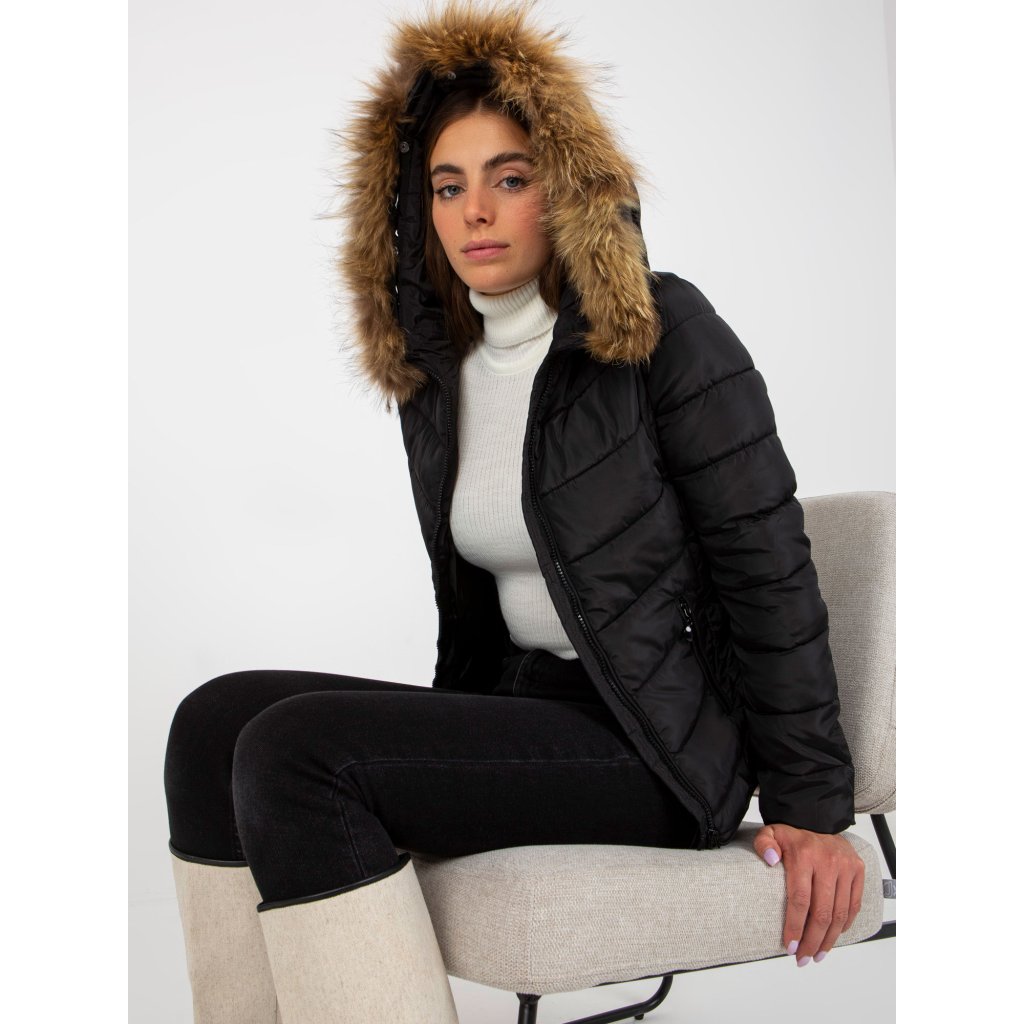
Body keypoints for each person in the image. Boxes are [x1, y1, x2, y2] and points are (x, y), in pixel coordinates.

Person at [163, 2, 866, 1021]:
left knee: (298, 750)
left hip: (659, 745)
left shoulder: (663, 332)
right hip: (535, 712)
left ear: (567, 188)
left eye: (510, 177)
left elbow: (768, 569)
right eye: (448, 186)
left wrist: (813, 808)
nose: (476, 213)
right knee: (213, 722)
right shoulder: (442, 374)